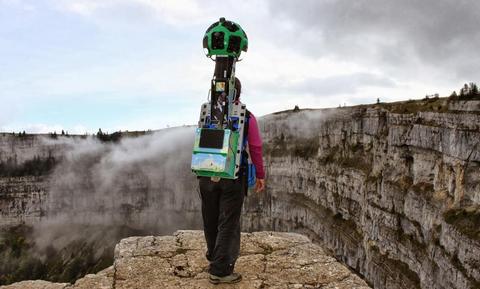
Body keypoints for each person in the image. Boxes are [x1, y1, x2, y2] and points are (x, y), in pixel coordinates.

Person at [199, 78, 265, 284]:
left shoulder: (207, 112)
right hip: (233, 176)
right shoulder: (248, 116)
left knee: (210, 217)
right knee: (228, 222)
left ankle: (214, 257)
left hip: (206, 171)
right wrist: (260, 175)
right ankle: (220, 270)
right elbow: (255, 147)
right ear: (239, 93)